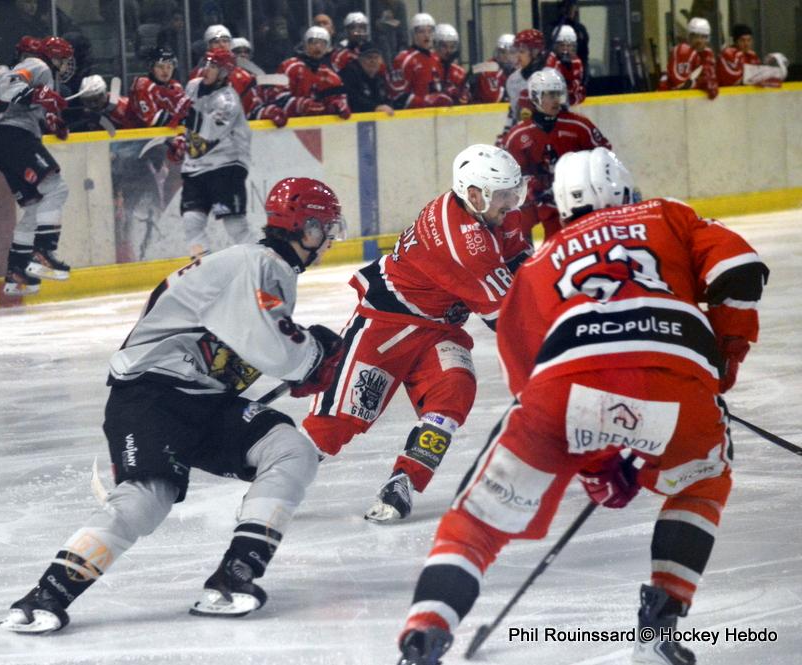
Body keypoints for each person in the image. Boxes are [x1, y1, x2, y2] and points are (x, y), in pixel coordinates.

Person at [395, 147, 768, 665]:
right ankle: (659, 628)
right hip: (675, 383)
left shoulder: (539, 261)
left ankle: (426, 632)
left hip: (562, 389)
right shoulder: (666, 215)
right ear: (625, 192)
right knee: (701, 481)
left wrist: (597, 459)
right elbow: (741, 270)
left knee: (478, 521)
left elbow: (526, 378)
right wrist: (723, 359)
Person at [0, 177, 347, 633]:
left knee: (290, 449)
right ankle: (45, 597)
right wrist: (314, 357)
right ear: (307, 228)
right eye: (325, 230)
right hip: (152, 395)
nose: (328, 242)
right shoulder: (259, 264)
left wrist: (306, 361)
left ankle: (235, 575)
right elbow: (274, 347)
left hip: (204, 400)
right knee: (148, 497)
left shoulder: (260, 266)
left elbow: (251, 347)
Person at [302, 145, 531, 523]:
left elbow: (517, 259)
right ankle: (275, 478)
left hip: (440, 328)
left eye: (514, 192)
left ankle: (405, 478)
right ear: (474, 194)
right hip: (387, 325)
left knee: (455, 389)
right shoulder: (464, 243)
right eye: (502, 195)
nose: (511, 203)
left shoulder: (488, 211)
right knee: (333, 426)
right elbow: (510, 320)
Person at [0, 35, 74, 296]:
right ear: (53, 57)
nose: (66, 66)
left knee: (35, 206)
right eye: (64, 60)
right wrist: (39, 94)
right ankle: (43, 252)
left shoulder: (41, 73)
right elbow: (10, 83)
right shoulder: (38, 65)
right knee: (56, 189)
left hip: (2, 142)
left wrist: (52, 119)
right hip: (14, 137)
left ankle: (16, 272)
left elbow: (26, 105)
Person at [500, 67, 611, 241]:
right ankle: (519, 254)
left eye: (558, 94)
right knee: (513, 222)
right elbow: (508, 176)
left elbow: (604, 157)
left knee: (563, 241)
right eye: (550, 95)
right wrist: (530, 185)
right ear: (536, 96)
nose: (556, 100)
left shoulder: (579, 126)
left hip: (571, 199)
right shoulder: (518, 135)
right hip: (538, 199)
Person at [168, 49, 252, 259]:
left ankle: (262, 262)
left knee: (235, 226)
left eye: (213, 66)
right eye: (205, 64)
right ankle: (205, 267)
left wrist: (187, 115)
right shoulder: (193, 86)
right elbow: (188, 127)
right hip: (195, 167)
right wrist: (180, 141)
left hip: (226, 166)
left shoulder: (228, 100)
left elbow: (211, 131)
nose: (206, 69)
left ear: (223, 72)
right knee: (191, 222)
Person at [190, 25, 287, 127]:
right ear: (208, 46)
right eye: (216, 42)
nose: (221, 45)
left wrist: (268, 112)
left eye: (225, 41)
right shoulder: (198, 74)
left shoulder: (243, 76)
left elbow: (251, 109)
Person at [276, 26, 351, 119]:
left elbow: (340, 99)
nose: (318, 46)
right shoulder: (289, 67)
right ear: (305, 44)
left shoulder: (330, 76)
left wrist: (337, 105)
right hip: (291, 125)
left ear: (327, 47)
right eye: (313, 42)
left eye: (323, 43)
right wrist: (300, 105)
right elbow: (277, 98)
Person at [392, 13, 451, 108]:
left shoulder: (436, 59)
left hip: (436, 114)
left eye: (430, 31)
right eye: (421, 31)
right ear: (413, 34)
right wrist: (424, 102)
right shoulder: (403, 59)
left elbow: (438, 88)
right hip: (414, 115)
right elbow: (397, 96)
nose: (426, 35)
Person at [124, 47, 190, 128]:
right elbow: (153, 120)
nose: (165, 71)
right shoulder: (142, 86)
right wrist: (183, 121)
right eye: (160, 66)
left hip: (164, 134)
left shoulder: (175, 86)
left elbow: (185, 111)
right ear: (151, 67)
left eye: (169, 66)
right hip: (136, 135)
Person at [659, 17, 718, 99]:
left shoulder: (707, 54)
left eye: (703, 37)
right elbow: (680, 85)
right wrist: (699, 83)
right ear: (689, 37)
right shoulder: (682, 51)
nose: (699, 41)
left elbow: (712, 89)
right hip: (668, 98)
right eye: (695, 36)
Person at [502, 28, 546, 134]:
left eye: (522, 51)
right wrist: (505, 135)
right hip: (525, 136)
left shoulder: (552, 77)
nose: (518, 55)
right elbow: (514, 114)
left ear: (535, 52)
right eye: (517, 51)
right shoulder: (513, 80)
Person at [340, 42, 401, 115]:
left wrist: (389, 107)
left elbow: (386, 98)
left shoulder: (380, 78)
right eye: (369, 57)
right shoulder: (349, 74)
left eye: (376, 57)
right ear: (360, 59)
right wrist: (374, 108)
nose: (373, 61)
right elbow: (352, 99)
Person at [546, 24, 585, 105]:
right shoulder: (550, 62)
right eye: (562, 45)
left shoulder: (577, 62)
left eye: (569, 45)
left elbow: (578, 87)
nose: (565, 49)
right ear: (555, 46)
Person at [472, 33, 515, 104]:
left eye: (511, 52)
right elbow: (493, 100)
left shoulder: (517, 69)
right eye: (503, 52)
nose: (506, 56)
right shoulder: (489, 69)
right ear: (497, 52)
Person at [434, 24, 470, 105]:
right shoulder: (427, 68)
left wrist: (461, 95)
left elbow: (465, 100)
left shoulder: (460, 72)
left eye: (452, 47)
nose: (448, 51)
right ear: (436, 45)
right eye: (444, 46)